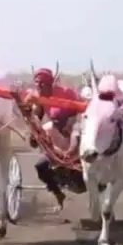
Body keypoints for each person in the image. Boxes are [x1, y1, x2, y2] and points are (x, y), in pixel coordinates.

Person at [27, 67, 83, 210]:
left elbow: (81, 112)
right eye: (37, 84)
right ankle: (58, 194)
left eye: (42, 83)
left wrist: (71, 123)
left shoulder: (67, 93)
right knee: (40, 167)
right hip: (57, 136)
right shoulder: (39, 98)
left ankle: (70, 157)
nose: (39, 87)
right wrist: (32, 132)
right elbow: (36, 117)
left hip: (75, 131)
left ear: (50, 83)